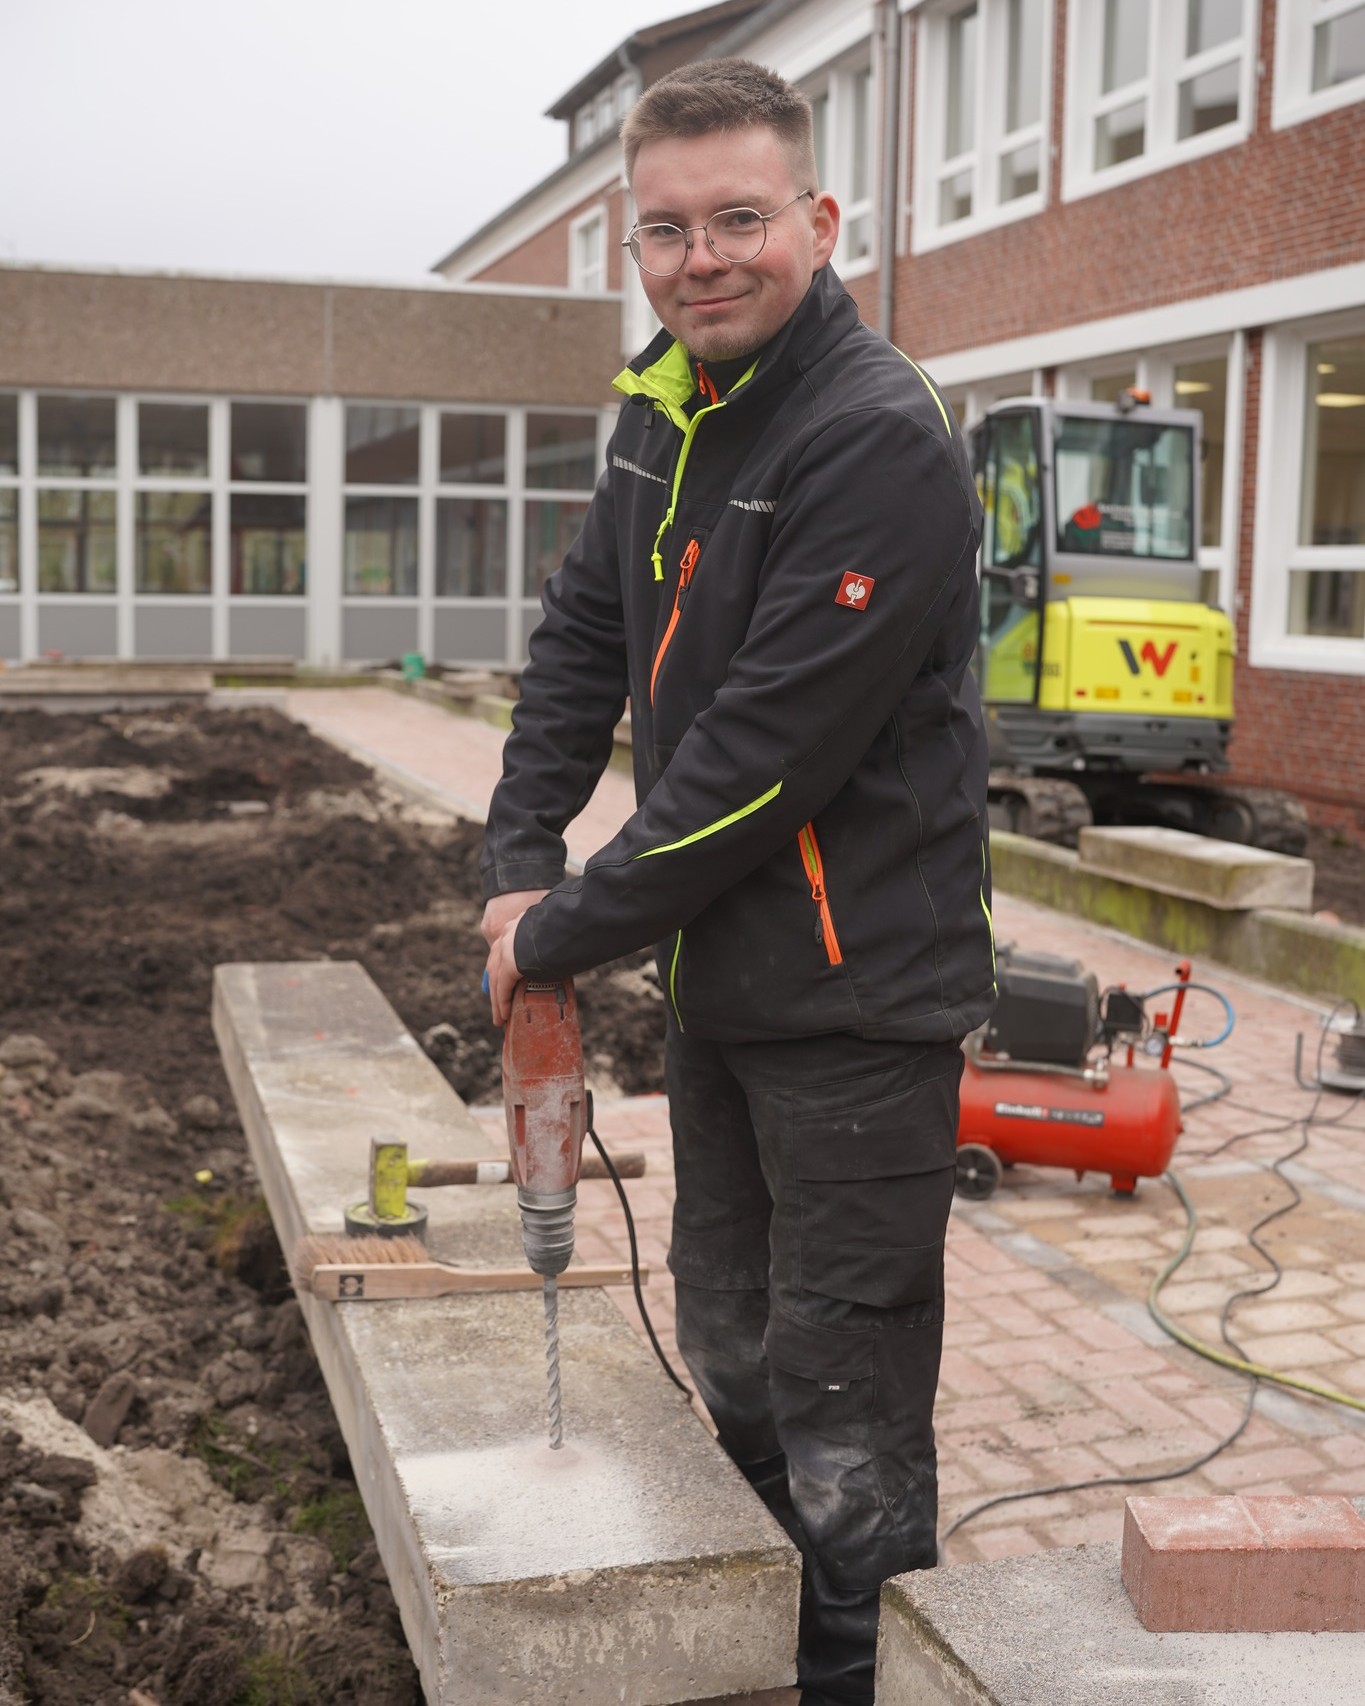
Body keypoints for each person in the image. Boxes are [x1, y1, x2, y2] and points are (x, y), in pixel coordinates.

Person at [481, 57, 994, 1706]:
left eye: (740, 220)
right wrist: (511, 862)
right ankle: (774, 1640)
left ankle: (860, 1669)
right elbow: (578, 642)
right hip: (719, 987)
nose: (703, 258)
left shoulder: (872, 437)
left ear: (817, 221)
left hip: (860, 1006)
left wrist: (561, 931)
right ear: (634, 247)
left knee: (845, 1406)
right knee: (734, 1352)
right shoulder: (664, 405)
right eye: (666, 229)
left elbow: (762, 760)